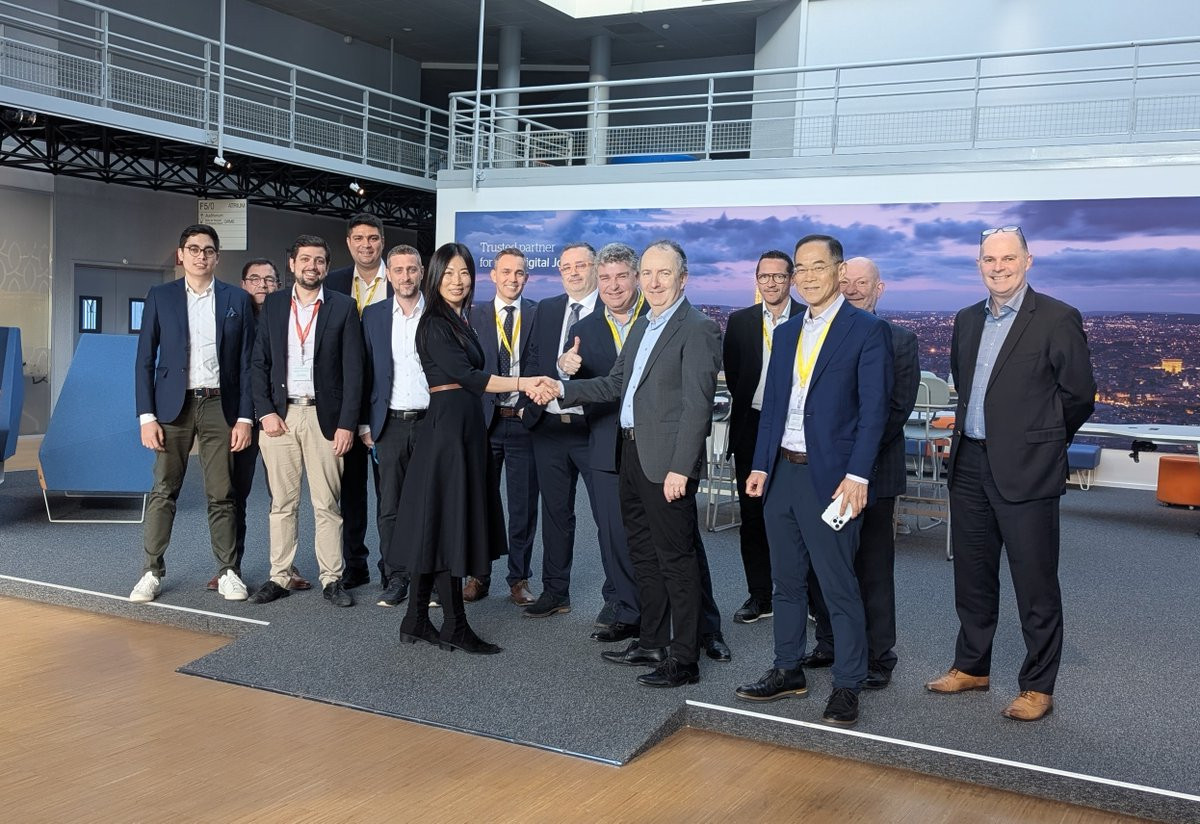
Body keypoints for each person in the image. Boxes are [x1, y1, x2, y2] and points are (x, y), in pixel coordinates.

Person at [532, 240, 724, 688]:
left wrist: (682, 468)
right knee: (644, 555)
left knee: (676, 560)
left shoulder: (697, 328)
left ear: (682, 278)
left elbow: (698, 407)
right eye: (648, 274)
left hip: (667, 464)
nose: (654, 282)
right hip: (631, 454)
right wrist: (562, 389)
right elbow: (614, 384)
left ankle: (685, 659)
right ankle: (652, 641)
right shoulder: (643, 326)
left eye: (664, 273)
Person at [926, 226, 1096, 722]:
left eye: (1007, 258)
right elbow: (965, 386)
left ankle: (1037, 685)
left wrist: (1042, 441)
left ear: (1027, 261)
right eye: (989, 260)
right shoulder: (966, 320)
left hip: (1028, 468)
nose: (998, 267)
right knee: (972, 575)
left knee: (1034, 581)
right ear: (979, 265)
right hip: (969, 463)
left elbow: (1078, 395)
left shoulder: (1058, 318)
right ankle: (972, 666)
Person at [734, 234, 892, 728]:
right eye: (799, 269)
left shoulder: (867, 330)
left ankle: (848, 683)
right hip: (782, 473)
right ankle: (787, 669)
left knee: (838, 585)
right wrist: (761, 465)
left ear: (839, 271)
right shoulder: (786, 334)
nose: (806, 277)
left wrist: (858, 475)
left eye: (816, 267)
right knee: (785, 583)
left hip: (834, 481)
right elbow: (773, 409)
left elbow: (875, 413)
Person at [392, 243, 552, 655]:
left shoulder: (457, 320)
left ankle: (415, 619)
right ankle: (455, 626)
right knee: (449, 528)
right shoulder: (434, 323)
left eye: (464, 273)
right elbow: (472, 377)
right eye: (448, 273)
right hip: (447, 435)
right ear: (434, 277)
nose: (458, 280)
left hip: (462, 431)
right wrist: (524, 382)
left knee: (438, 526)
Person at [804, 257, 919, 689]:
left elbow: (894, 411)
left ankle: (877, 656)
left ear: (879, 288)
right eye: (845, 281)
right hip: (821, 474)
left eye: (862, 283)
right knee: (824, 565)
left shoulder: (900, 340)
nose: (852, 289)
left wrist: (852, 461)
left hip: (874, 474)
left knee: (872, 568)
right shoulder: (817, 335)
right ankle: (830, 642)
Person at [130, 224, 254, 604]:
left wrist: (245, 418)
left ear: (217, 257)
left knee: (222, 493)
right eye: (194, 249)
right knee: (164, 490)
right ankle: (151, 572)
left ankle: (228, 571)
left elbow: (247, 364)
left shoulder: (237, 299)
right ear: (181, 254)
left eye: (208, 250)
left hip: (220, 405)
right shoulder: (160, 296)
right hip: (172, 408)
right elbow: (144, 359)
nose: (201, 256)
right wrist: (146, 416)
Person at [246, 235, 363, 608]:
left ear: (326, 267)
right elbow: (259, 362)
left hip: (325, 419)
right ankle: (279, 576)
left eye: (320, 260)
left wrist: (347, 423)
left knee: (327, 503)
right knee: (282, 503)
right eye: (306, 259)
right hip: (279, 417)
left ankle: (332, 579)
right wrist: (265, 411)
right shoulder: (275, 304)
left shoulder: (344, 307)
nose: (313, 266)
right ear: (292, 264)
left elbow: (354, 371)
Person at [555, 242, 648, 643]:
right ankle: (628, 611)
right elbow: (577, 381)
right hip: (607, 443)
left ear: (636, 277)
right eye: (605, 277)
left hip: (654, 445)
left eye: (621, 276)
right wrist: (564, 367)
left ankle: (696, 623)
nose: (613, 285)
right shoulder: (584, 329)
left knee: (669, 538)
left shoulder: (658, 317)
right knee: (613, 534)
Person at [210, 259, 311, 593]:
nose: (263, 285)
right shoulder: (232, 320)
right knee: (234, 495)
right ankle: (230, 568)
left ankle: (286, 567)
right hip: (240, 419)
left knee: (283, 497)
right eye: (255, 279)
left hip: (277, 419)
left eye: (270, 279)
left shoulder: (288, 317)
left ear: (278, 285)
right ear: (243, 284)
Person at [520, 242, 601, 620]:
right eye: (566, 267)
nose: (573, 272)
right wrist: (535, 392)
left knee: (608, 517)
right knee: (555, 515)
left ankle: (619, 599)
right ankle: (555, 592)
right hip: (549, 429)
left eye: (580, 265)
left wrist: (572, 369)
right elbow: (533, 358)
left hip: (593, 429)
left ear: (595, 268)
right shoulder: (548, 308)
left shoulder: (611, 308)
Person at [721, 250, 803, 624]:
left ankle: (805, 596)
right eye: (764, 276)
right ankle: (760, 596)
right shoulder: (740, 322)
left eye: (779, 276)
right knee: (753, 516)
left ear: (792, 279)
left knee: (798, 516)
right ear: (756, 280)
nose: (771, 283)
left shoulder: (807, 317)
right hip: (752, 427)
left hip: (796, 429)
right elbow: (735, 376)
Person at [465, 247, 540, 606]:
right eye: (506, 272)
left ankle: (518, 578)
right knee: (480, 503)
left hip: (524, 423)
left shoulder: (539, 315)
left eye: (519, 273)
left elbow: (545, 366)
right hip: (484, 424)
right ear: (493, 275)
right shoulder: (472, 315)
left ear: (527, 277)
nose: (513, 278)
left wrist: (529, 407)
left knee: (523, 507)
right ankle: (478, 575)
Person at [359, 245, 428, 608]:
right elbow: (364, 371)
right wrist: (363, 423)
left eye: (412, 269)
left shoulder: (438, 313)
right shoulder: (373, 315)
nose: (406, 276)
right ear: (389, 275)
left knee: (432, 503)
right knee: (391, 507)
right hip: (389, 424)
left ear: (422, 272)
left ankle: (429, 577)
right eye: (398, 270)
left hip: (432, 423)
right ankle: (396, 575)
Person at [326, 213, 391, 590]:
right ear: (349, 243)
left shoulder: (399, 280)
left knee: (390, 494)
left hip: (389, 402)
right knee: (350, 492)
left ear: (382, 241)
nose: (366, 245)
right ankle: (355, 564)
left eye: (373, 238)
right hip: (345, 405)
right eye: (359, 239)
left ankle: (392, 565)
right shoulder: (333, 283)